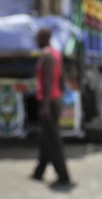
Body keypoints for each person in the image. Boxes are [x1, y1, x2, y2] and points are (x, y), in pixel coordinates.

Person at [30, 27, 73, 188]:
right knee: (46, 138)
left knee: (53, 140)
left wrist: (46, 105)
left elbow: (48, 81)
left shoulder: (47, 56)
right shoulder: (56, 54)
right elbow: (61, 79)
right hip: (56, 99)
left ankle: (63, 175)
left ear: (43, 38)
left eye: (38, 37)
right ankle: (39, 171)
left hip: (49, 101)